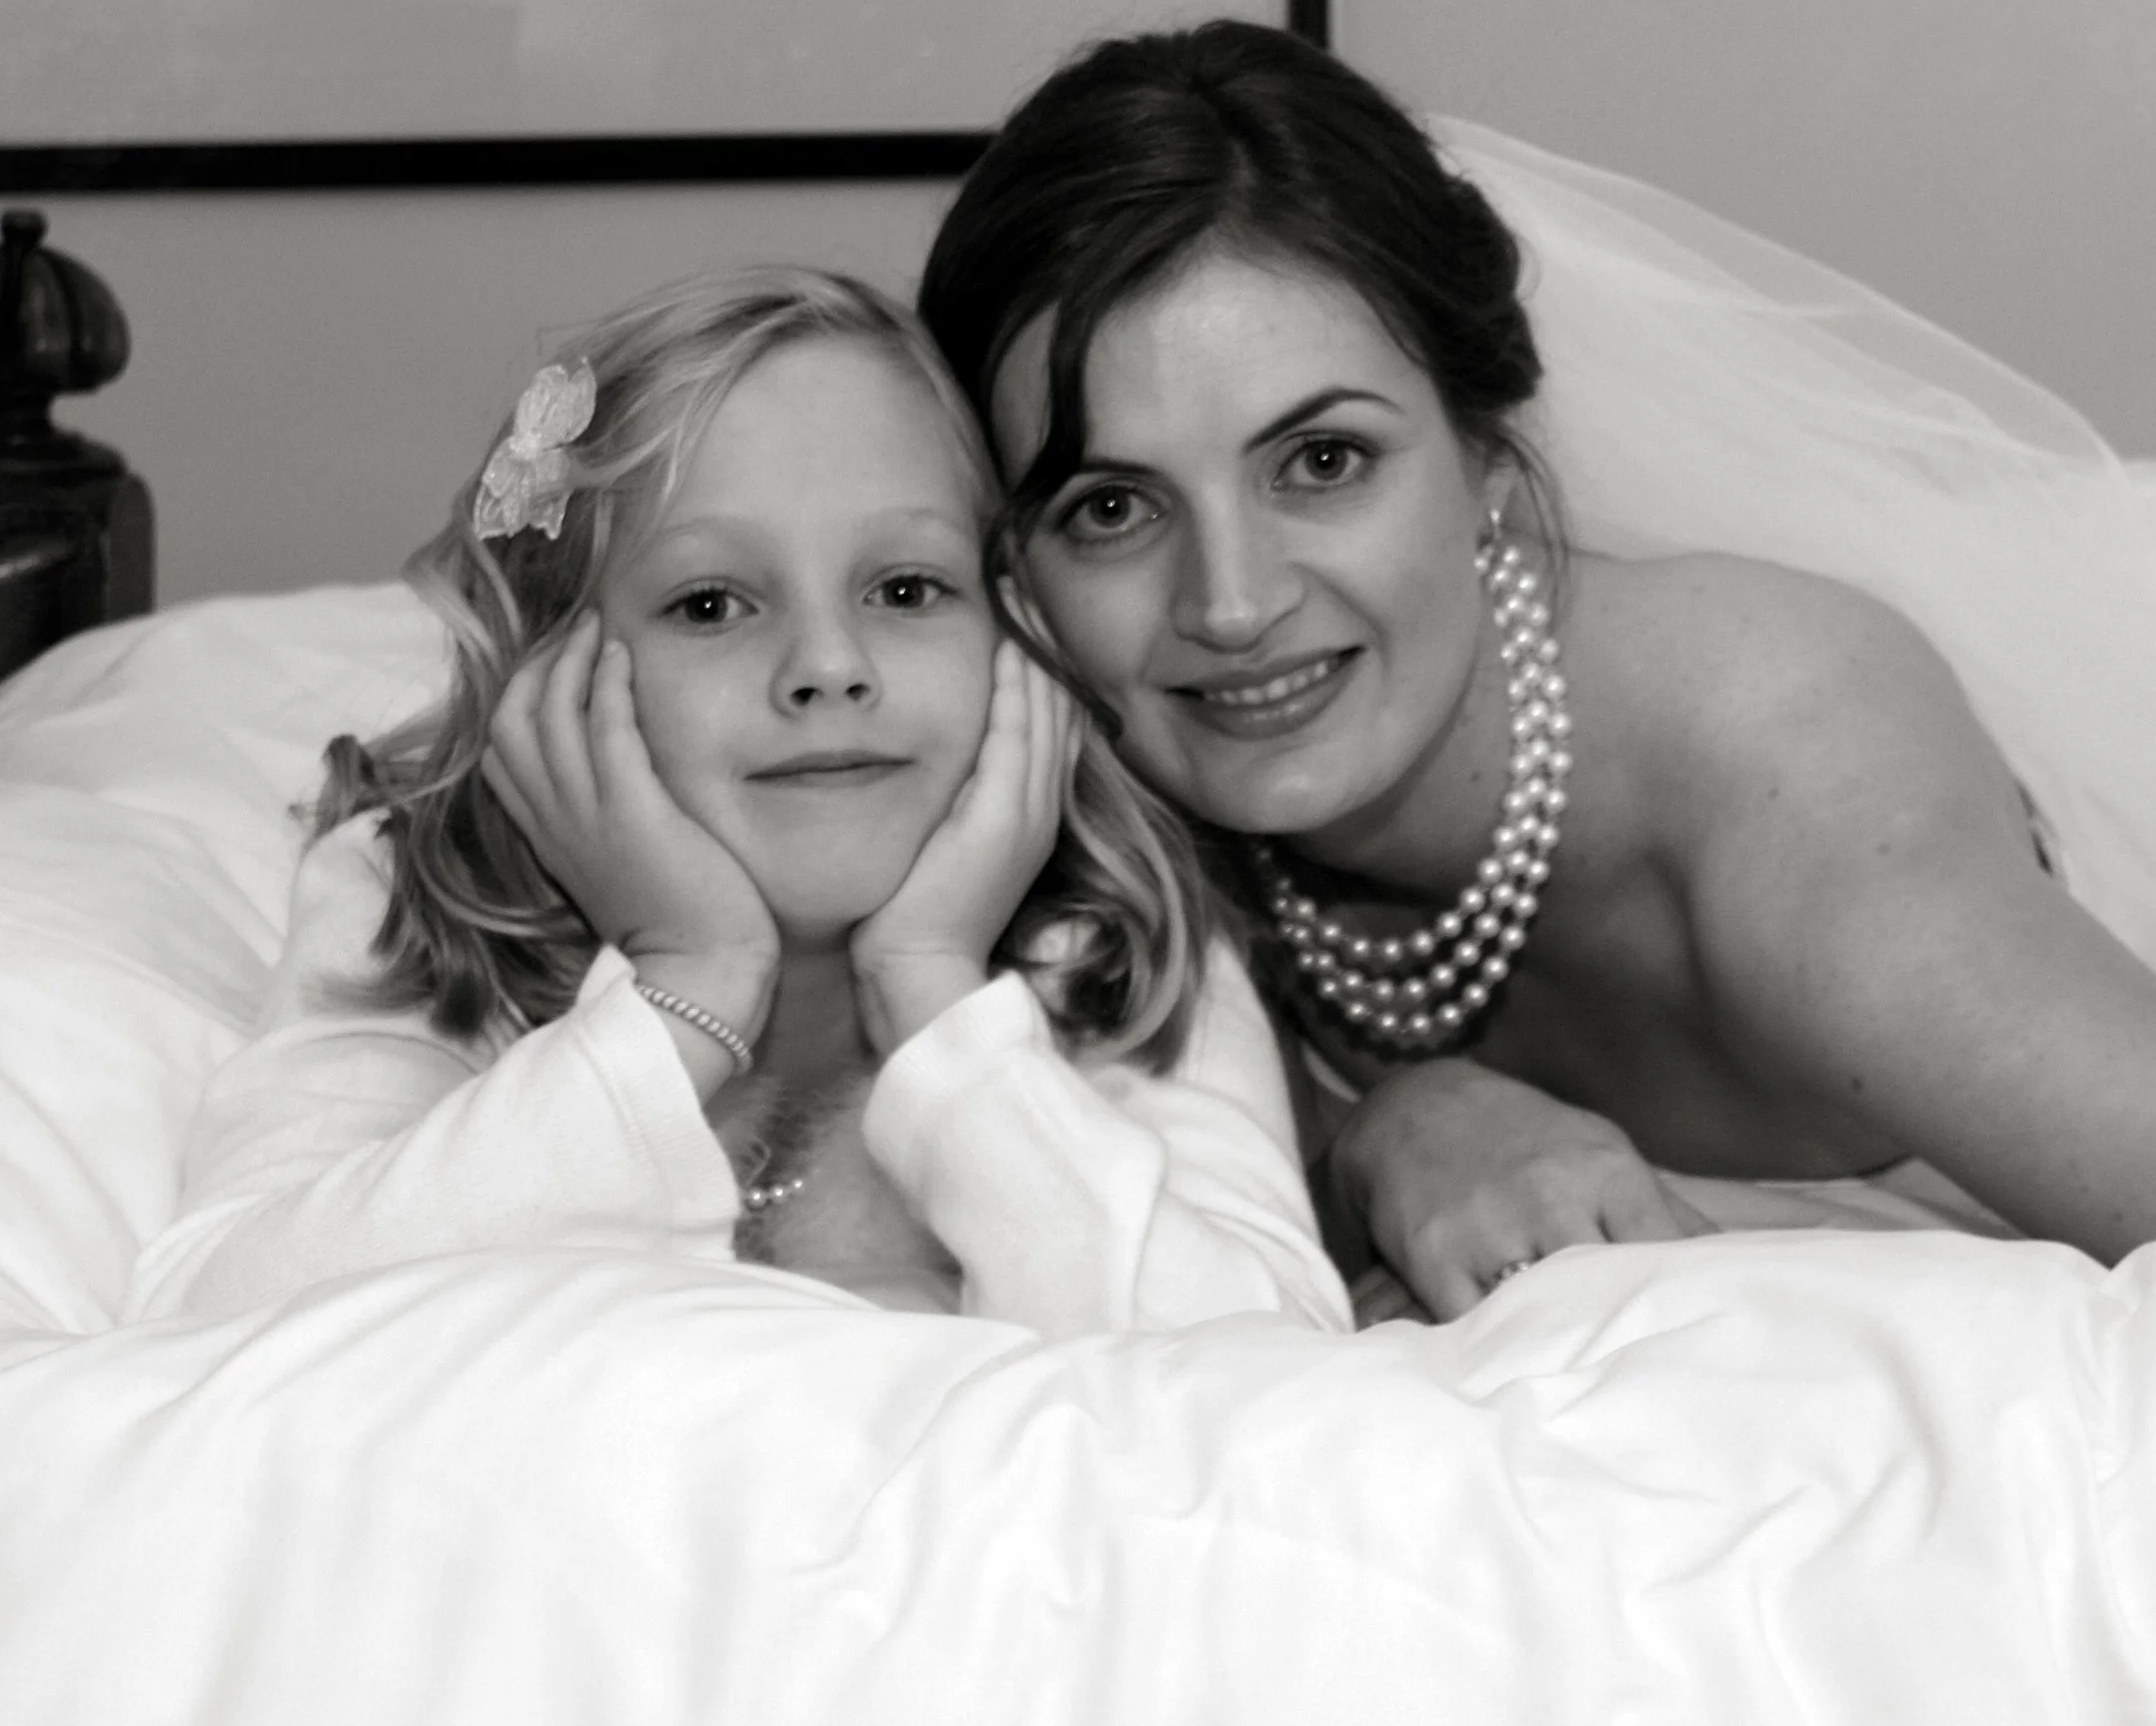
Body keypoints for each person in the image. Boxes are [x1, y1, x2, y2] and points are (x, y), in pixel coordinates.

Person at [915, 19, 2156, 1321]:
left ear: (1480, 455)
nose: (1234, 600)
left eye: (1321, 460)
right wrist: (1387, 1125)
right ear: (1018, 564)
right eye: (1111, 506)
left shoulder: (1781, 771)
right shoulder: (1078, 781)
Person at [127, 266, 1351, 1339]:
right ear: (551, 669)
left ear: (1015, 637)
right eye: (712, 604)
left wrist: (938, 1000)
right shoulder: (428, 908)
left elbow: (1263, 1359)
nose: (828, 663)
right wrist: (683, 995)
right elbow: (214, 1318)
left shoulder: (1112, 944)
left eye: (908, 588)